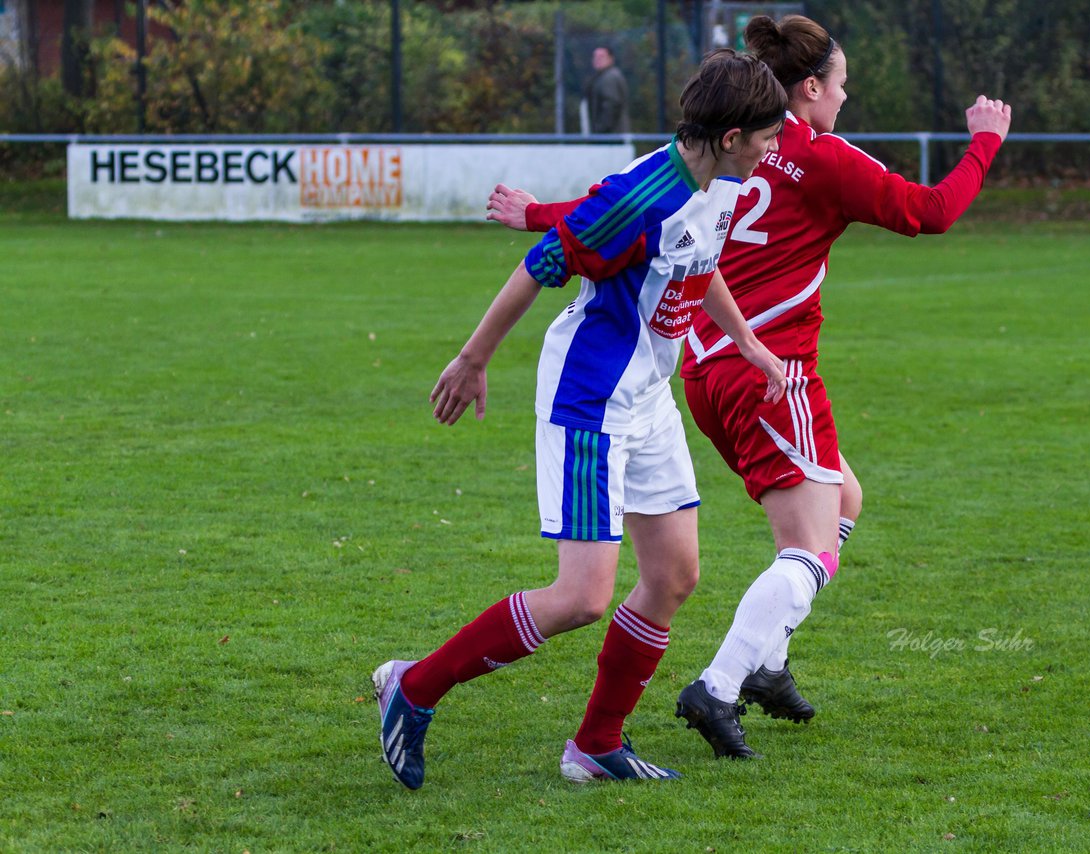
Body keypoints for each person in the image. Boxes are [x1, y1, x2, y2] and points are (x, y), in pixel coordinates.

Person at [486, 15, 1012, 759]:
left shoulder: (732, 142)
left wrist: (537, 214)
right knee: (810, 543)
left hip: (700, 368)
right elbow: (930, 211)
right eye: (840, 85)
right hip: (769, 373)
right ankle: (725, 680)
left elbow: (632, 202)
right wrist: (985, 139)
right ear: (807, 89)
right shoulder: (815, 155)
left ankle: (766, 657)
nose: (845, 97)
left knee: (845, 499)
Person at [373, 49, 789, 789]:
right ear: (730, 136)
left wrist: (750, 345)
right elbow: (541, 261)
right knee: (581, 598)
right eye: (766, 135)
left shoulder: (721, 183)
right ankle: (414, 688)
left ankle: (596, 744)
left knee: (673, 575)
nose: (773, 147)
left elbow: (702, 261)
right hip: (591, 397)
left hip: (647, 396)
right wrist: (472, 359)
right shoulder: (641, 195)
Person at [584, 45, 629, 134]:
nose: (597, 59)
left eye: (601, 57)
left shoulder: (610, 77)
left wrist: (600, 129)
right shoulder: (600, 77)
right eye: (595, 57)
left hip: (610, 136)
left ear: (611, 59)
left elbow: (611, 105)